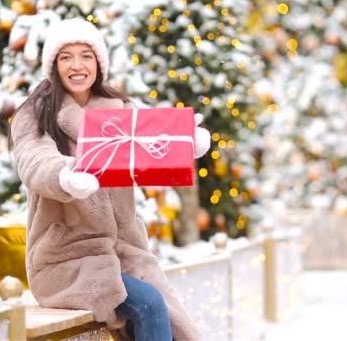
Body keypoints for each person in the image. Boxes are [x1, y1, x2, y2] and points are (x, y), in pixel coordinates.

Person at [10, 18, 209, 340]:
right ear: (53, 66)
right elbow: (34, 160)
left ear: (99, 63)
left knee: (172, 321)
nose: (77, 65)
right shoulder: (36, 114)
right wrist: (65, 175)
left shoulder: (118, 111)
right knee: (149, 304)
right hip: (68, 260)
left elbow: (150, 146)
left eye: (86, 55)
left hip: (125, 255)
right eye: (66, 57)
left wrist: (184, 144)